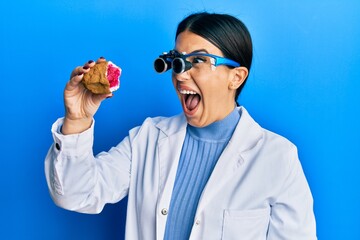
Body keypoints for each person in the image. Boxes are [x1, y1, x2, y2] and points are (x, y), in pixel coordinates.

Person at [45, 12, 317, 239]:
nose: (181, 74)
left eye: (198, 61)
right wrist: (77, 118)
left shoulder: (277, 157)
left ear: (236, 77)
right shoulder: (148, 138)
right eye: (178, 61)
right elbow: (75, 195)